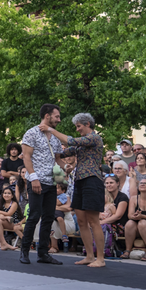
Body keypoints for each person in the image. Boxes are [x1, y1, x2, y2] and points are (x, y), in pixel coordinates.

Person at [41, 112, 105, 267]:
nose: (77, 129)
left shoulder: (94, 138)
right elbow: (62, 153)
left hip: (92, 180)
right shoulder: (81, 145)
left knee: (93, 221)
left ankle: (101, 259)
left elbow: (70, 140)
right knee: (82, 221)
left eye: (79, 126)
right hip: (80, 181)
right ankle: (89, 256)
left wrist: (50, 129)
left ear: (87, 124)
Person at [19, 104, 66, 265]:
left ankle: (43, 253)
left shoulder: (55, 137)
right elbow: (26, 157)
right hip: (36, 180)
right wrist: (34, 178)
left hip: (51, 181)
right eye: (56, 116)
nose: (59, 120)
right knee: (33, 216)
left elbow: (57, 158)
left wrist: (67, 168)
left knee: (48, 217)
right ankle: (24, 251)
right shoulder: (31, 133)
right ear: (47, 116)